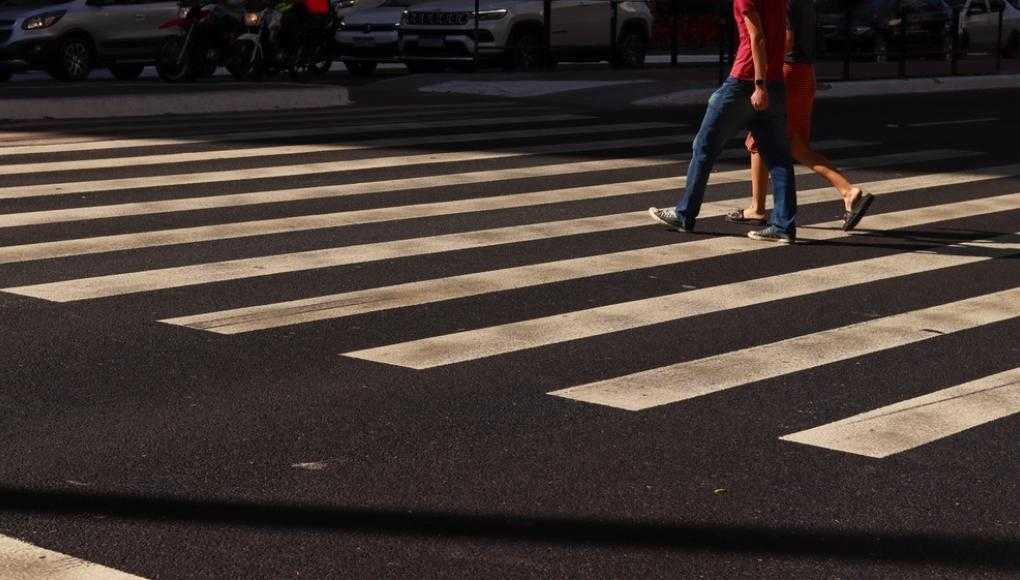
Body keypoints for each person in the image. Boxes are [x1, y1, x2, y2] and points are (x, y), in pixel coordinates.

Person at [649, 0, 797, 243]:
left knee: (704, 146)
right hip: (775, 82)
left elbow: (757, 37)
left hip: (745, 82)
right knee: (779, 159)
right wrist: (770, 78)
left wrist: (759, 85)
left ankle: (684, 214)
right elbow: (787, 37)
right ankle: (783, 225)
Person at [728, 0, 874, 232]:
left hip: (788, 73)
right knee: (793, 144)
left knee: (761, 139)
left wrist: (761, 64)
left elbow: (787, 39)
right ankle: (758, 207)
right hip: (804, 74)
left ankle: (847, 191)